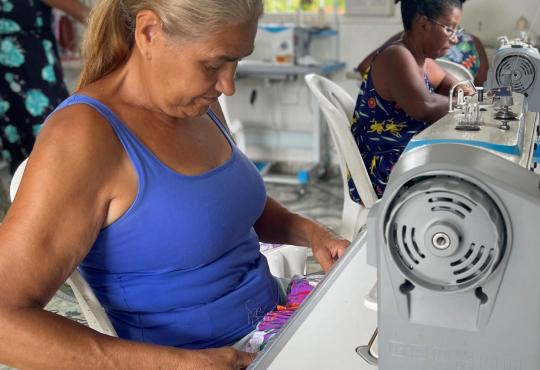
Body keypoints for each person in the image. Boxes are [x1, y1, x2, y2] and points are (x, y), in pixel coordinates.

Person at [0, 0, 349, 368]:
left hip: (275, 326)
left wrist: (313, 234)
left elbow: (230, 209)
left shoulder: (199, 105)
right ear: (149, 32)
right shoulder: (85, 137)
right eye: (214, 64)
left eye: (237, 61)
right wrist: (178, 364)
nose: (227, 85)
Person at [349, 0, 471, 204]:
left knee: (469, 166)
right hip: (383, 169)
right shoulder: (396, 56)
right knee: (468, 174)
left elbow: (450, 84)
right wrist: (467, 102)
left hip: (406, 158)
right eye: (449, 29)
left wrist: (461, 91)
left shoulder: (422, 60)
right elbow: (425, 106)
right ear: (423, 24)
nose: (455, 39)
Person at [0, 0, 90, 174]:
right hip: (24, 46)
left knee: (36, 137)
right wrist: (89, 16)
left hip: (24, 43)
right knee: (50, 133)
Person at [357, 0, 488, 86]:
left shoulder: (407, 38)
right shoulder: (474, 43)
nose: (453, 39)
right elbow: (481, 91)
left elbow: (365, 67)